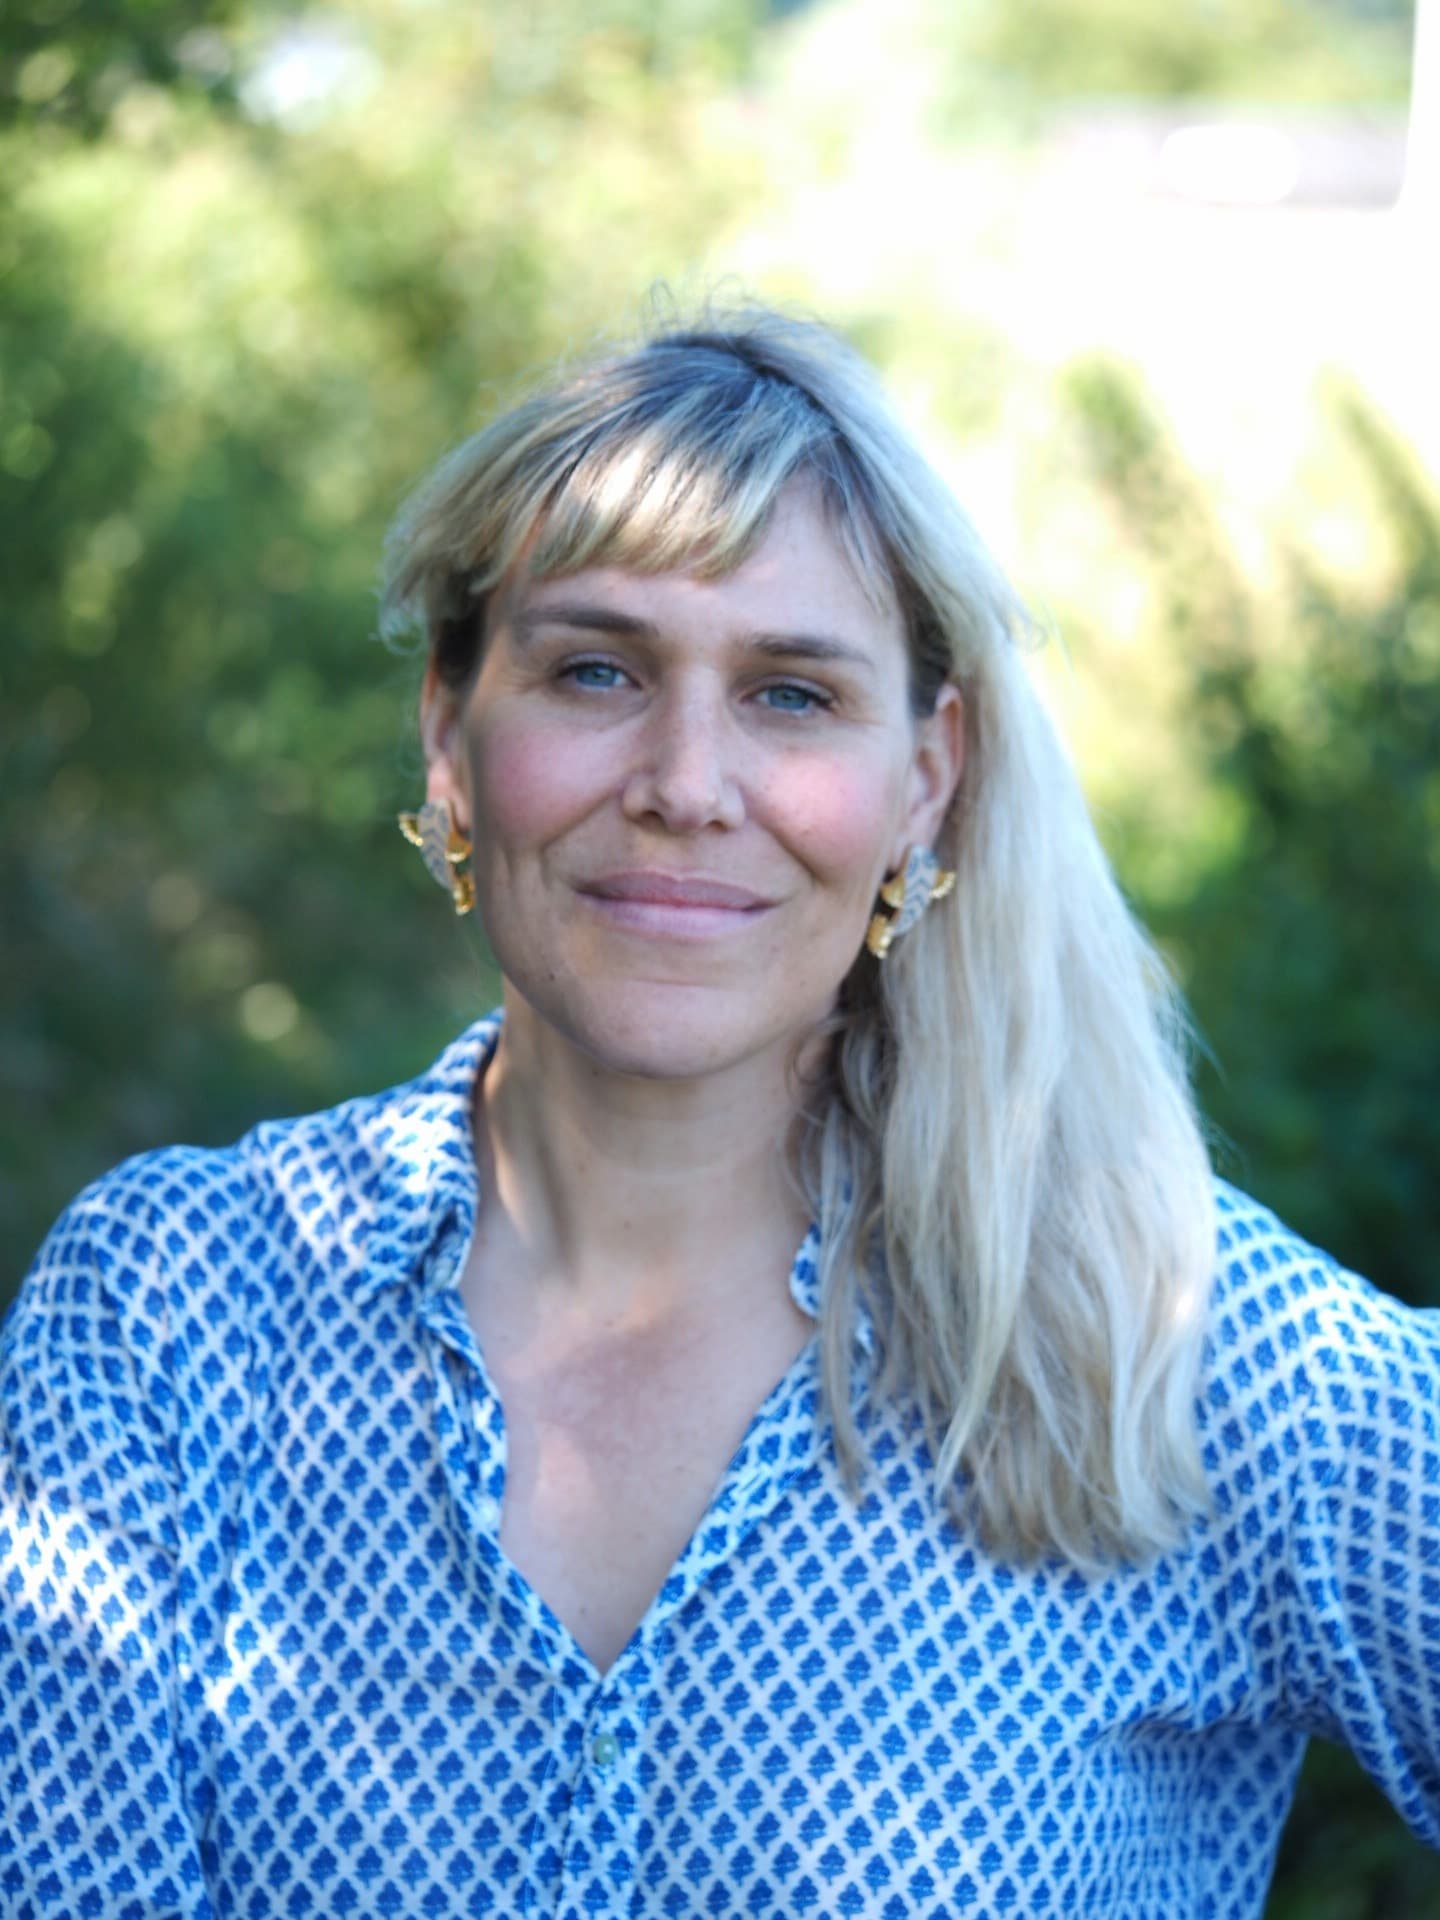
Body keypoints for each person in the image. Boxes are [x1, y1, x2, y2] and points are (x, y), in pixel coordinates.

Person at [2, 305, 1437, 1920]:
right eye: (597, 670)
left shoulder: (1175, 1343)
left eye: (793, 695)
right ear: (449, 733)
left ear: (927, 779)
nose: (687, 781)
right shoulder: (173, 1311)